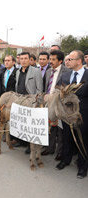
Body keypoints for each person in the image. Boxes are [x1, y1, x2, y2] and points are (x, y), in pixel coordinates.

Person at [56, 50, 88, 179]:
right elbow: (59, 93)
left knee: (83, 140)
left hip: (83, 114)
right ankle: (65, 160)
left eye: (70, 59)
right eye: (67, 59)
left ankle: (82, 166)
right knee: (66, 137)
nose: (66, 61)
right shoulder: (65, 75)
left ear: (79, 61)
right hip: (66, 114)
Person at [41, 50, 70, 160]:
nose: (50, 61)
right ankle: (50, 148)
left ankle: (60, 152)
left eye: (53, 59)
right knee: (50, 127)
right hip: (48, 102)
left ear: (60, 61)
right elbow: (46, 86)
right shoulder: (48, 71)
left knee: (60, 129)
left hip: (60, 105)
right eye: (50, 59)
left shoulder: (67, 72)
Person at [15, 52, 43, 152]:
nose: (23, 60)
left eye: (25, 58)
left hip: (31, 102)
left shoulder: (36, 71)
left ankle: (29, 145)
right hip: (20, 101)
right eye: (21, 58)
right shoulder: (18, 71)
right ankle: (21, 141)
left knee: (30, 125)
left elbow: (39, 89)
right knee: (21, 123)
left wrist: (37, 104)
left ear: (29, 59)